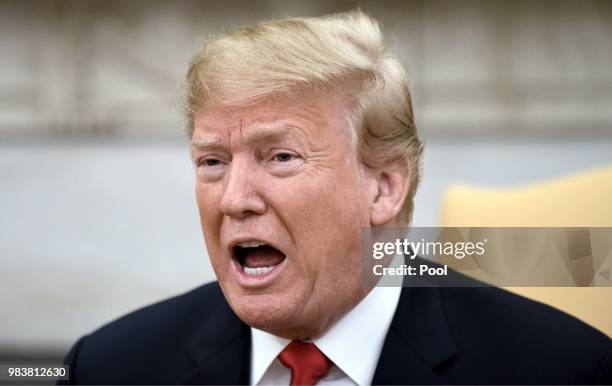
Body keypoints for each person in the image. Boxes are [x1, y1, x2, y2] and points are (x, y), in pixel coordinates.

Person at [60, 10, 611, 385]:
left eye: (280, 157)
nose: (234, 199)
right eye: (213, 162)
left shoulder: (562, 368)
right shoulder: (110, 366)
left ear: (384, 186)